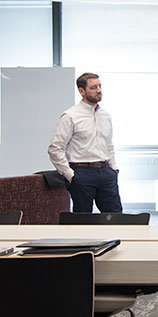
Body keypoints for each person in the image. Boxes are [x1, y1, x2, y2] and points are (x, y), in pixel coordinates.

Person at [48, 72, 122, 213]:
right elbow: (55, 148)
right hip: (82, 172)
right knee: (82, 219)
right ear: (81, 91)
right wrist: (70, 175)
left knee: (115, 216)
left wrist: (113, 168)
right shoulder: (70, 116)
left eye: (100, 86)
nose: (99, 90)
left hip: (106, 171)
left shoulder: (105, 115)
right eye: (93, 87)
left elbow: (109, 145)